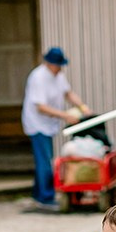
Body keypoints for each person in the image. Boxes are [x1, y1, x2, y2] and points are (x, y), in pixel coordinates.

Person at [22, 46, 90, 208]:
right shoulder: (38, 78)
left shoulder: (58, 76)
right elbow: (41, 107)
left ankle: (38, 194)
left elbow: (68, 93)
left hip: (49, 124)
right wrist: (65, 115)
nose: (59, 68)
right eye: (57, 65)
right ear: (48, 63)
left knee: (44, 158)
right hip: (37, 124)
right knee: (45, 160)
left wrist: (82, 107)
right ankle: (46, 197)